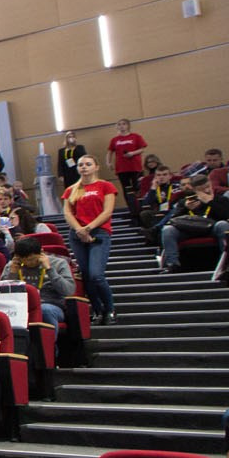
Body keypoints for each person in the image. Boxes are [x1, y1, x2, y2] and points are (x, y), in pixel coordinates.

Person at [63, 156, 119, 324]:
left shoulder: (105, 186)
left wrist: (88, 228)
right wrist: (79, 230)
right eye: (81, 165)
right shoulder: (71, 189)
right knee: (86, 275)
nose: (84, 167)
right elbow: (67, 213)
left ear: (96, 167)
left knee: (96, 275)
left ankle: (110, 309)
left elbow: (107, 212)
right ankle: (97, 309)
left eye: (88, 164)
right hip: (77, 235)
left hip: (99, 232)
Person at [106, 118, 147, 209]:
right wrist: (108, 162)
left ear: (128, 125)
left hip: (135, 167)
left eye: (124, 124)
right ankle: (131, 207)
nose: (121, 126)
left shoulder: (136, 136)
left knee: (137, 187)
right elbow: (110, 152)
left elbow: (142, 149)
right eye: (119, 124)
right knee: (126, 189)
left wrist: (132, 153)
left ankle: (140, 206)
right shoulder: (115, 140)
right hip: (122, 168)